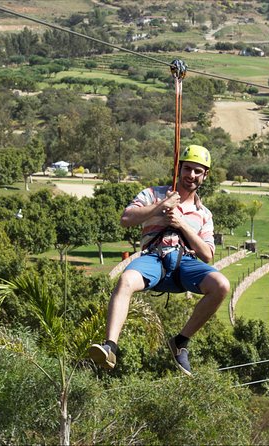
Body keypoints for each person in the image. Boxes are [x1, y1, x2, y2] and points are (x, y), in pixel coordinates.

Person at [89, 145, 230, 376]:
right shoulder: (152, 195)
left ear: (205, 176)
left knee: (221, 285)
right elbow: (126, 219)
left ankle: (181, 341)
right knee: (125, 280)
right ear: (179, 169)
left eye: (197, 171)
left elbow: (208, 255)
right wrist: (159, 208)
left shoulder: (203, 213)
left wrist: (181, 223)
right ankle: (110, 347)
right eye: (187, 169)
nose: (191, 176)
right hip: (154, 258)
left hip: (184, 263)